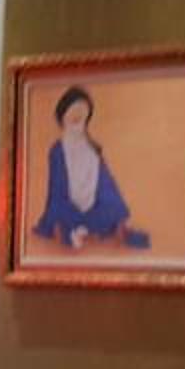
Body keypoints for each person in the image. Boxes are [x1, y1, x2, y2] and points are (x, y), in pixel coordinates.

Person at [33, 86, 152, 251]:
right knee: (61, 215)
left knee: (110, 211)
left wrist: (117, 210)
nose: (77, 115)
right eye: (74, 111)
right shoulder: (57, 150)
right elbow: (56, 189)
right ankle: (73, 228)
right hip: (67, 204)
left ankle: (82, 228)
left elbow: (106, 184)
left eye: (82, 113)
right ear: (62, 115)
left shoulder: (92, 149)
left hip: (93, 205)